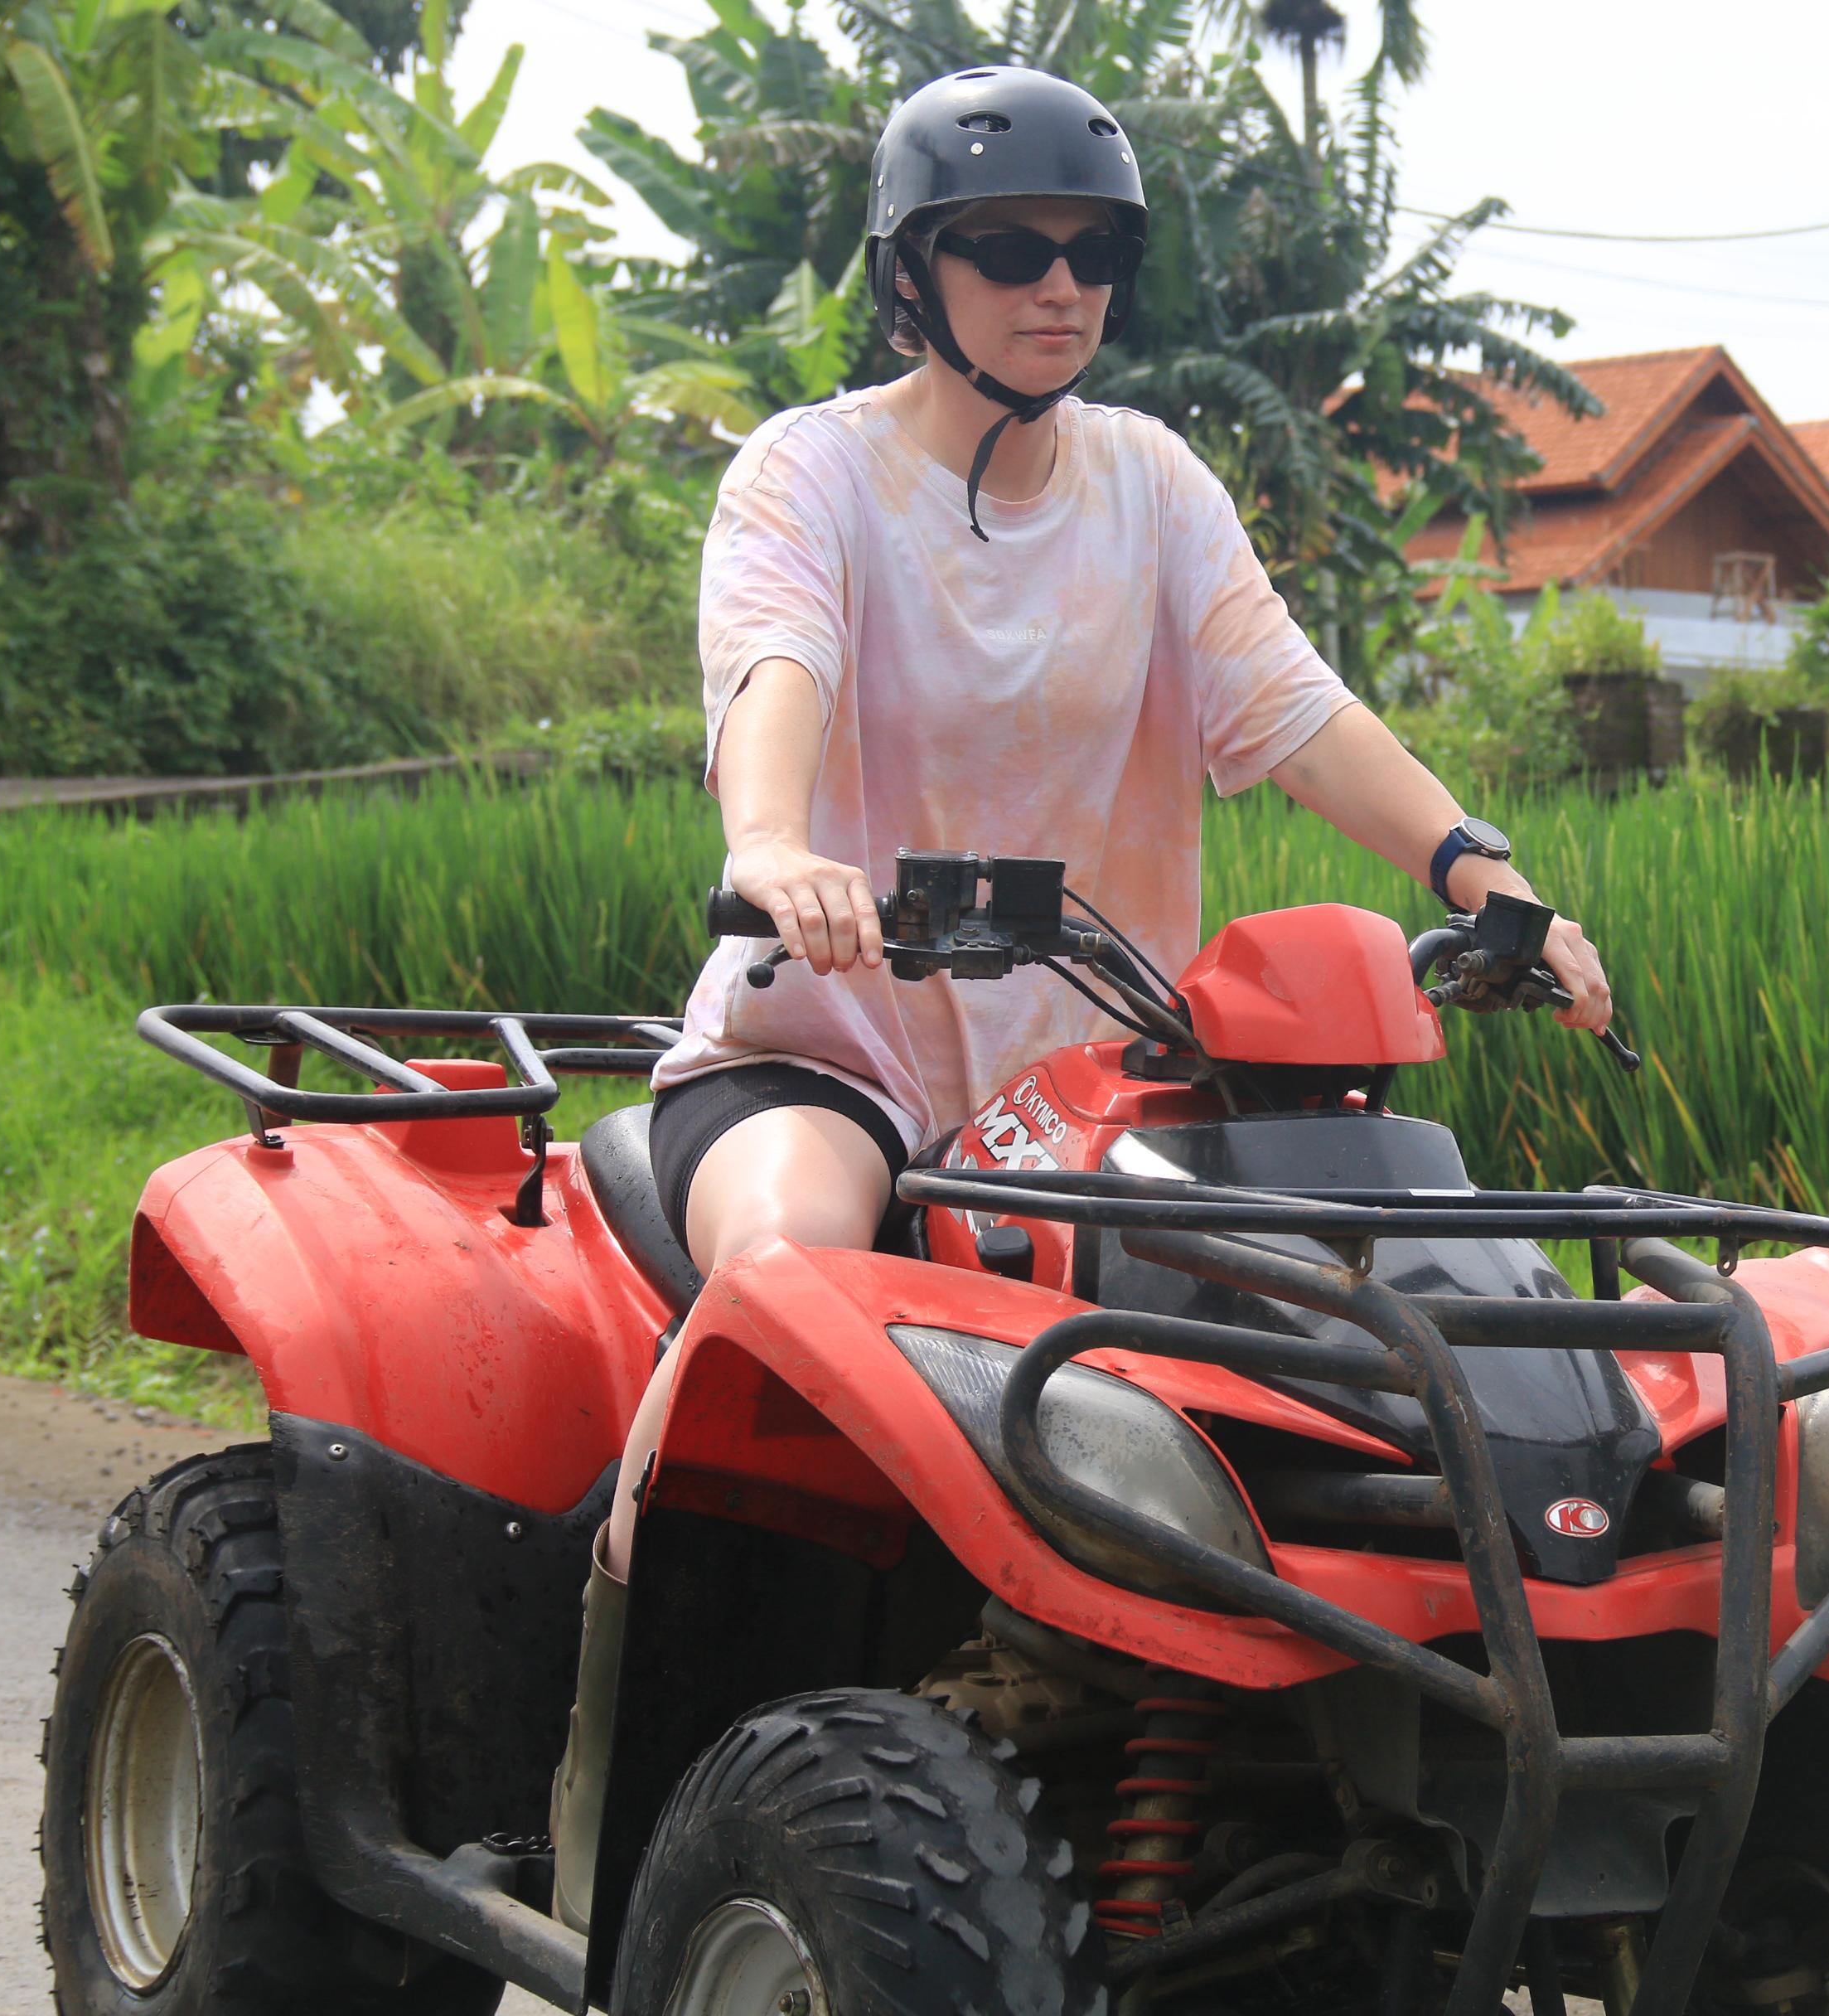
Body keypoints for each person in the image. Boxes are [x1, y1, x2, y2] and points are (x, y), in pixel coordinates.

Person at [546, 61, 1611, 1933]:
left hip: (1088, 1101)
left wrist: (1479, 868)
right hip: (832, 1053)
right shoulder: (811, 472)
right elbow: (777, 664)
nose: (1060, 287)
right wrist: (779, 845)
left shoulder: (1150, 485)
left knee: (1326, 1350)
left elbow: (1293, 707)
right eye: (1010, 249)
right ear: (916, 275)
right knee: (793, 1264)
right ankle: (618, 1730)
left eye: (1094, 252)